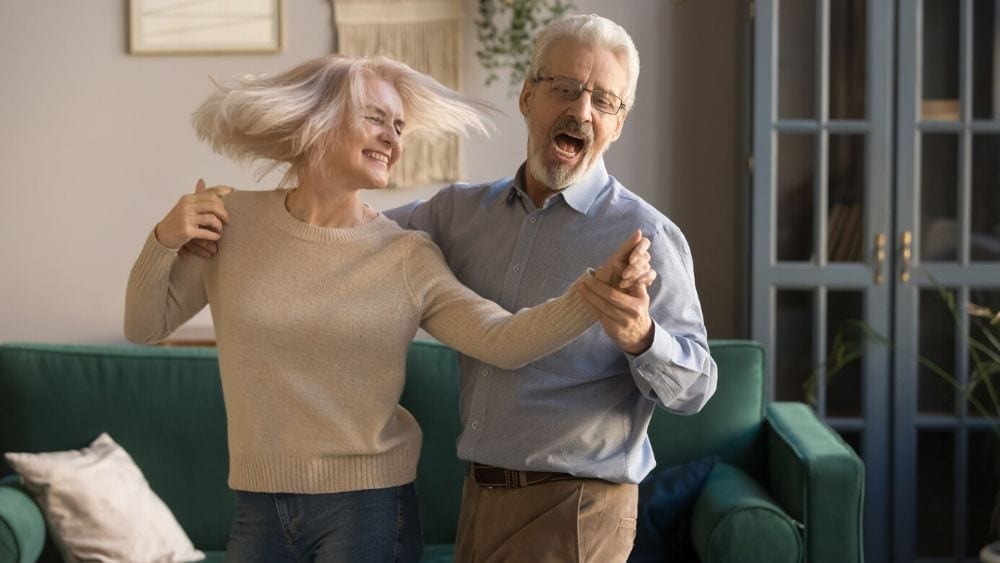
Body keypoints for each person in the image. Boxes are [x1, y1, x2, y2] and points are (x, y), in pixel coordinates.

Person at [124, 54, 655, 562]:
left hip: (368, 509)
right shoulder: (232, 221)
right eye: (376, 118)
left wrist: (596, 292)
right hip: (257, 505)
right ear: (319, 119)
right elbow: (145, 326)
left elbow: (502, 340)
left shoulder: (404, 253)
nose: (392, 139)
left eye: (399, 127)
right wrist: (162, 240)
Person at [383, 14, 719, 562]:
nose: (581, 111)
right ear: (527, 96)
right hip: (482, 495)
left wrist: (642, 337)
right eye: (564, 89)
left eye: (603, 101)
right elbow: (350, 236)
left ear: (619, 123)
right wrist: (235, 218)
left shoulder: (647, 236)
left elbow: (698, 387)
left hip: (580, 507)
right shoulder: (458, 214)